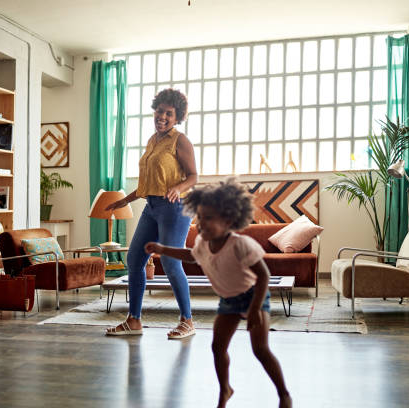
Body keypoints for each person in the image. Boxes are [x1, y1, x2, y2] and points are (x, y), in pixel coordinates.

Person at [145, 179, 292, 408]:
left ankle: (283, 394)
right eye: (200, 217)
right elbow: (192, 256)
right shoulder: (203, 242)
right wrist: (163, 249)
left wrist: (254, 310)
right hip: (229, 301)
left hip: (254, 296)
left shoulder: (240, 244)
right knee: (217, 347)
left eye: (209, 218)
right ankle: (225, 389)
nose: (201, 224)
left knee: (260, 349)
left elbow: (263, 276)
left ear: (229, 220)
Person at [104, 88, 198, 339]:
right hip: (152, 207)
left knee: (169, 261)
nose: (163, 117)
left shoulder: (181, 141)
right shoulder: (152, 141)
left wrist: (178, 188)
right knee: (134, 259)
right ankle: (134, 320)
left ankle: (187, 321)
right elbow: (149, 183)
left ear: (177, 117)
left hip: (176, 208)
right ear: (154, 111)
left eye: (169, 113)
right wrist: (124, 199)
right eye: (160, 111)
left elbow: (193, 176)